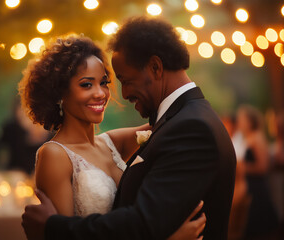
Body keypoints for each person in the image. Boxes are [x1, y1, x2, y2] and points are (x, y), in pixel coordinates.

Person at [21, 16, 236, 239]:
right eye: (86, 84)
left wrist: (54, 226)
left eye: (105, 82)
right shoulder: (55, 154)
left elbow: (144, 221)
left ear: (155, 67)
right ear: (59, 93)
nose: (107, 93)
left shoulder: (185, 127)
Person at [236, 105, 279, 239]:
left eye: (242, 120)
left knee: (260, 227)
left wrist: (243, 167)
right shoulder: (247, 138)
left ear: (250, 121)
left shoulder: (257, 138)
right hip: (249, 186)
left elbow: (263, 167)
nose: (240, 123)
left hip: (257, 188)